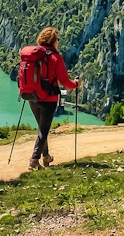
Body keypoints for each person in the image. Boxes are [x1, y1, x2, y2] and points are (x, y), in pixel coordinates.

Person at [28, 27, 78, 170]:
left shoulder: (33, 55)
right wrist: (76, 84)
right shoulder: (56, 58)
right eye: (58, 40)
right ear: (53, 41)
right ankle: (34, 159)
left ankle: (46, 156)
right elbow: (65, 82)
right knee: (43, 130)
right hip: (48, 99)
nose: (58, 42)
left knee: (41, 128)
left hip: (32, 97)